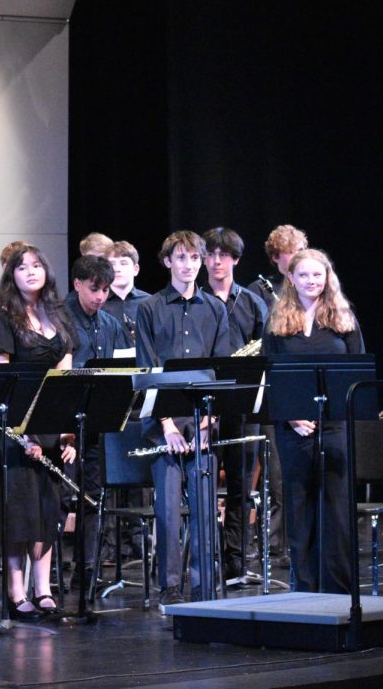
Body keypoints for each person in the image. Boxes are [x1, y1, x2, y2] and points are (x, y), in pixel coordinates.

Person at [135, 230, 232, 605]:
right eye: (181, 258)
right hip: (165, 424)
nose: (189, 265)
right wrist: (168, 426)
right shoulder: (150, 308)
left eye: (195, 259)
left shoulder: (215, 309)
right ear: (167, 262)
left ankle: (205, 584)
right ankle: (170, 587)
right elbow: (148, 369)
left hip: (203, 420)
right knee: (169, 509)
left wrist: (208, 423)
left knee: (206, 508)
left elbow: (220, 371)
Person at [0, 244, 76, 620]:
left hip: (50, 422)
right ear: (12, 275)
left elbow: (65, 374)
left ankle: (44, 588)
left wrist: (67, 431)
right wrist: (23, 436)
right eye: (23, 268)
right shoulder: (0, 318)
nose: (31, 272)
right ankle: (16, 590)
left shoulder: (57, 312)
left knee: (46, 509)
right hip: (14, 426)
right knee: (19, 511)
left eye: (37, 265)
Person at [263, 249, 363, 594]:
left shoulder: (344, 317)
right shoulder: (277, 322)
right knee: (299, 507)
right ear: (291, 278)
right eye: (304, 275)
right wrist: (291, 415)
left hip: (335, 426)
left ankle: (339, 589)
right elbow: (269, 377)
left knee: (336, 509)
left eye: (317, 275)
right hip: (294, 428)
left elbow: (357, 375)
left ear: (327, 276)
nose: (311, 281)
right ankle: (304, 587)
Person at [202, 227, 269, 582]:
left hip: (243, 405)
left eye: (223, 255)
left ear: (236, 260)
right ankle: (205, 560)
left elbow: (264, 351)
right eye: (210, 255)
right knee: (205, 485)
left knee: (243, 486)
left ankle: (236, 562)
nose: (216, 262)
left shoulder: (253, 302)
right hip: (205, 407)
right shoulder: (194, 302)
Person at [63, 255, 130, 591]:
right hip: (63, 424)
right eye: (94, 289)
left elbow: (122, 369)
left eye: (105, 290)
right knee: (62, 498)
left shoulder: (110, 324)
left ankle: (86, 571)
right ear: (77, 284)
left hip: (96, 424)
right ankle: (50, 575)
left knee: (92, 497)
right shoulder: (59, 319)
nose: (100, 297)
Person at [245, 224, 308, 564]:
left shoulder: (309, 288)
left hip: (300, 389)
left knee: (297, 474)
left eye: (301, 250)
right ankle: (274, 545)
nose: (298, 258)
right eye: (291, 254)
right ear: (275, 258)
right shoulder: (260, 292)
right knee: (276, 476)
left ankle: (298, 542)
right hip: (270, 395)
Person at [246, 224, 308, 307]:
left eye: (300, 250)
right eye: (290, 252)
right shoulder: (258, 289)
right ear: (275, 257)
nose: (298, 256)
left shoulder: (313, 284)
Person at [103, 240, 150, 339]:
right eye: (112, 264)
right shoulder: (98, 303)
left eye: (123, 263)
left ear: (135, 269)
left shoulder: (149, 302)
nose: (117, 269)